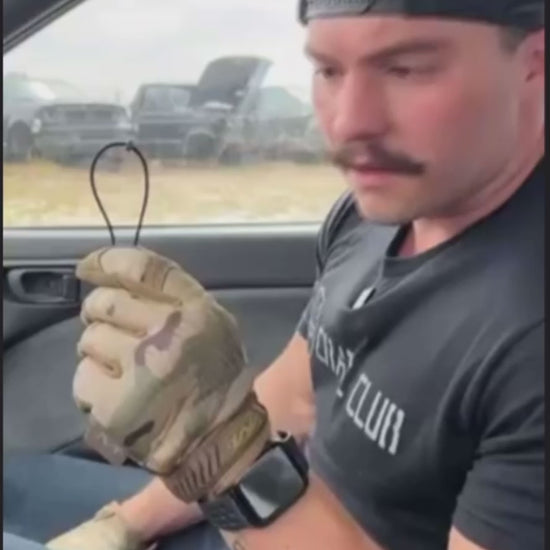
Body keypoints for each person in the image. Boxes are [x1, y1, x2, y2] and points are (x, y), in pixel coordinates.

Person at [3, 0, 545, 549]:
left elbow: (239, 455)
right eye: (328, 70)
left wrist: (219, 456)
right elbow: (294, 395)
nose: (349, 122)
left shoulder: (529, 331)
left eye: (406, 69)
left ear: (535, 62)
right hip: (260, 515)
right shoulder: (374, 212)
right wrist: (123, 525)